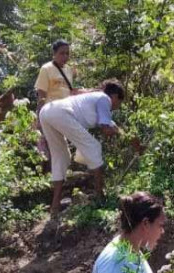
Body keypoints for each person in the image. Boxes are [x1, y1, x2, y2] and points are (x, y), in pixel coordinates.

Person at [38, 79, 125, 215]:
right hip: (61, 112)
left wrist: (123, 134)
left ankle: (55, 206)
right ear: (114, 97)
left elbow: (110, 125)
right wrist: (115, 132)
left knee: (61, 156)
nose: (118, 106)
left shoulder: (94, 100)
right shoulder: (104, 99)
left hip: (46, 112)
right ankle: (99, 196)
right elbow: (106, 129)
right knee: (94, 147)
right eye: (119, 102)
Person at [34, 39, 80, 158]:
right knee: (49, 150)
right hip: (49, 114)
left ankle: (58, 174)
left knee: (61, 150)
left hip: (64, 114)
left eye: (67, 53)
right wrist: (39, 118)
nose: (65, 56)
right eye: (61, 53)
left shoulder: (69, 70)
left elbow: (69, 93)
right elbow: (41, 94)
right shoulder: (46, 69)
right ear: (54, 54)